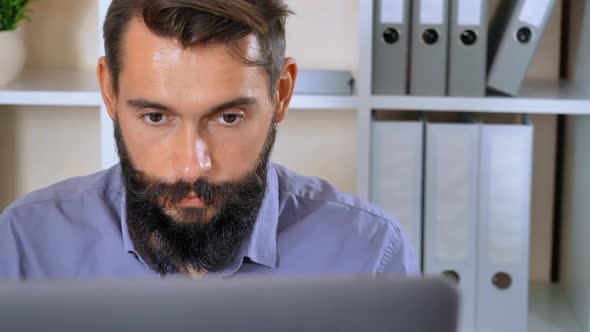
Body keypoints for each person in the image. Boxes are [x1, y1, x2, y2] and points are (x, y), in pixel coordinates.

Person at [0, 0, 418, 279]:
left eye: (229, 117)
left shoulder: (371, 254)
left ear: (282, 93)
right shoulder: (25, 243)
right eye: (156, 116)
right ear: (109, 91)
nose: (191, 166)